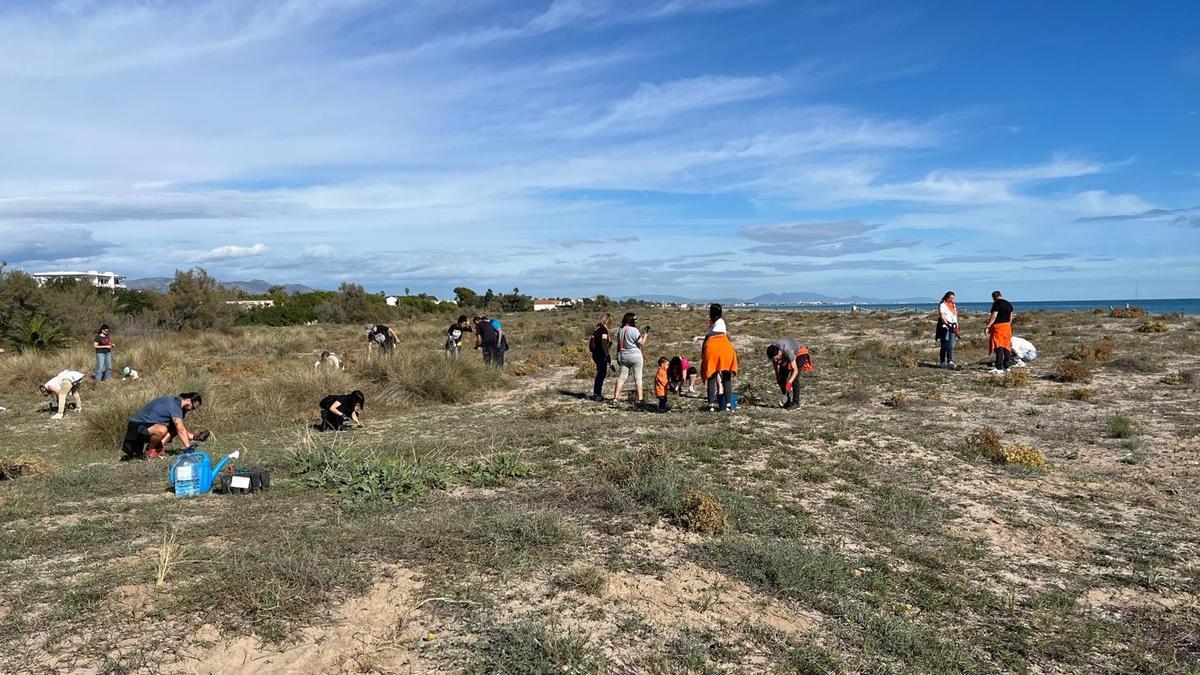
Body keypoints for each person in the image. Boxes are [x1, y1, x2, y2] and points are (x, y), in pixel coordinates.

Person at [122, 392, 203, 460]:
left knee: (173, 429)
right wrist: (188, 448)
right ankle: (150, 451)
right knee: (162, 430)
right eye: (192, 407)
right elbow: (181, 429)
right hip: (137, 427)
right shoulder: (174, 405)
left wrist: (196, 437)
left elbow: (179, 430)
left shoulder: (179, 407)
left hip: (148, 428)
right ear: (188, 400)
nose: (191, 410)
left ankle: (157, 449)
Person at [701, 304, 738, 412]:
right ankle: (728, 405)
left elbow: (707, 339)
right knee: (726, 378)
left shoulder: (712, 325)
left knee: (711, 377)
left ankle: (711, 405)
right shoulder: (722, 322)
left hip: (711, 349)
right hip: (726, 349)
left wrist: (703, 357)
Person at [612, 312, 648, 405]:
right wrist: (646, 334)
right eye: (635, 319)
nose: (636, 321)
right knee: (638, 377)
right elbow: (641, 343)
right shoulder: (634, 330)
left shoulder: (620, 330)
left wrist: (617, 356)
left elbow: (619, 345)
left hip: (624, 355)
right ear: (631, 320)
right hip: (635, 356)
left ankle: (615, 398)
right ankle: (640, 399)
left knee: (622, 377)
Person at [766, 339, 810, 409]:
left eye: (776, 358)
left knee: (794, 378)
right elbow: (776, 368)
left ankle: (796, 403)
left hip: (800, 353)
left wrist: (789, 382)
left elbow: (795, 370)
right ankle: (787, 400)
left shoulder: (788, 351)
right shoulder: (773, 352)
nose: (775, 360)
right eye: (774, 359)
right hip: (786, 355)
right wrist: (778, 378)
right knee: (781, 377)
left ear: (779, 352)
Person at [985, 290, 1015, 373]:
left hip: (998, 327)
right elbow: (1011, 317)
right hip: (1007, 327)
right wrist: (1008, 324)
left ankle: (999, 367)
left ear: (994, 297)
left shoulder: (996, 303)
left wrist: (988, 326)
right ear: (1001, 295)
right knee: (1006, 346)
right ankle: (1007, 366)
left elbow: (994, 315)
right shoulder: (1008, 304)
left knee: (999, 346)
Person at [589, 313, 614, 401]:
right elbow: (603, 343)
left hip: (595, 354)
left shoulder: (597, 328)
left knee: (600, 374)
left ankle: (596, 393)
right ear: (608, 320)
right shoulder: (603, 330)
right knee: (601, 374)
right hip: (601, 354)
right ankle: (597, 394)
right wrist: (607, 355)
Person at [936, 291, 960, 369]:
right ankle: (942, 361)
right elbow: (942, 316)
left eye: (953, 298)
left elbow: (955, 316)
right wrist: (947, 324)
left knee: (951, 345)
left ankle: (950, 361)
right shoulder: (942, 305)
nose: (951, 299)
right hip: (945, 327)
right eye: (950, 298)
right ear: (947, 297)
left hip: (953, 326)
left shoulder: (953, 305)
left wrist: (957, 326)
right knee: (944, 345)